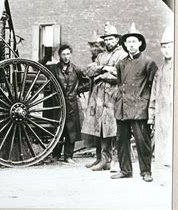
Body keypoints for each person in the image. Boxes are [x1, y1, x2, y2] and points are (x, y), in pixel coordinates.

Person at [111, 23, 157, 182]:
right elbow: (119, 84)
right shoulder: (121, 64)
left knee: (142, 142)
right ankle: (125, 170)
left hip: (139, 108)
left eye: (133, 41)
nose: (131, 44)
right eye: (128, 42)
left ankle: (146, 172)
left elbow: (153, 87)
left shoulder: (148, 62)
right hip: (123, 107)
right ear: (124, 44)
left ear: (139, 44)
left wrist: (150, 109)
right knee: (121, 141)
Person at [82, 22, 127, 171]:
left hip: (112, 96)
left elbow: (120, 75)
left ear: (117, 40)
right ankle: (100, 158)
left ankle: (110, 160)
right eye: (106, 39)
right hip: (98, 96)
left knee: (110, 128)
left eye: (111, 39)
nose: (108, 42)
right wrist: (103, 68)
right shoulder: (100, 55)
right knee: (98, 127)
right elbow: (89, 71)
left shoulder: (122, 55)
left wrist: (102, 76)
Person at [49, 44, 89, 163]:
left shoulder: (76, 69)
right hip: (58, 104)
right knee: (58, 129)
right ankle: (55, 155)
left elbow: (87, 82)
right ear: (59, 56)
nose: (66, 57)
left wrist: (78, 90)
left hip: (72, 104)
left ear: (71, 55)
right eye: (63, 54)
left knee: (71, 131)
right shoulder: (54, 69)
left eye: (68, 54)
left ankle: (68, 156)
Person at [148, 27, 173, 168]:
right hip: (163, 113)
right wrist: (151, 115)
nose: (167, 50)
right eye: (164, 47)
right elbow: (154, 95)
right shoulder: (160, 71)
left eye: (169, 47)